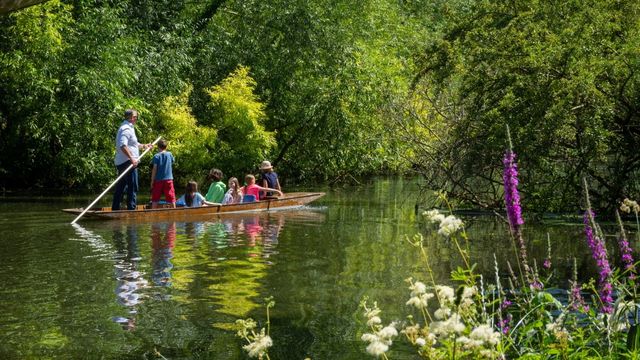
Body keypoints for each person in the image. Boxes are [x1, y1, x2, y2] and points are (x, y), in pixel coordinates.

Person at [112, 109, 152, 210]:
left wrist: (144, 146)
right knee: (133, 186)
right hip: (127, 163)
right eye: (135, 117)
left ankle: (115, 208)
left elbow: (133, 144)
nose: (136, 119)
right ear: (131, 118)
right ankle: (131, 209)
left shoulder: (129, 128)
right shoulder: (126, 129)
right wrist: (132, 159)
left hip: (124, 162)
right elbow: (123, 145)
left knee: (121, 186)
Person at [150, 139, 176, 209]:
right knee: (171, 197)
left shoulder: (156, 156)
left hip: (158, 180)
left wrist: (152, 181)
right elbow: (172, 161)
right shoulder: (170, 154)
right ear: (166, 147)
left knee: (155, 198)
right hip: (168, 179)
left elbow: (154, 169)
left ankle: (153, 213)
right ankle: (174, 212)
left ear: (158, 147)